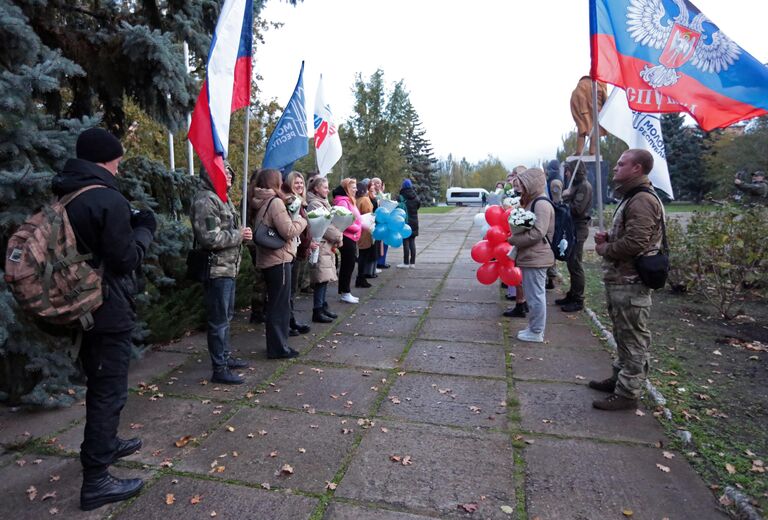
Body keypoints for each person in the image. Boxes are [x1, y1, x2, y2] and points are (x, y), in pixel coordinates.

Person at [51, 128, 155, 510]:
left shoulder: (67, 191)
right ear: (107, 159)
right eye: (117, 158)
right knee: (108, 389)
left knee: (100, 383)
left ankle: (104, 445)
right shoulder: (105, 197)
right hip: (105, 308)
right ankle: (96, 480)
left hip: (81, 304)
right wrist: (144, 229)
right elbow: (125, 258)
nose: (120, 164)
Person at [592, 149, 664, 411]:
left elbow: (636, 242)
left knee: (633, 339)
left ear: (637, 168)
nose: (615, 168)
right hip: (621, 280)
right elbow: (630, 234)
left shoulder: (642, 199)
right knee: (622, 334)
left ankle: (628, 392)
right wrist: (609, 238)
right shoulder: (631, 197)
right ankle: (619, 379)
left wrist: (606, 249)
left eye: (621, 164)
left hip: (631, 282)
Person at [191, 162, 252, 385]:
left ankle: (225, 358)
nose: (228, 174)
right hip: (217, 269)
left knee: (225, 318)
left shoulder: (221, 198)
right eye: (223, 170)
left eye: (230, 171)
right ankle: (220, 368)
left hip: (228, 268)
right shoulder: (206, 199)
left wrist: (240, 235)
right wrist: (239, 235)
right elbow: (209, 238)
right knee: (218, 322)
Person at [251, 168, 307, 359]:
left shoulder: (259, 199)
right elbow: (289, 231)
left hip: (268, 259)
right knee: (279, 306)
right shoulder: (275, 202)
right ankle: (278, 348)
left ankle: (277, 344)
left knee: (275, 303)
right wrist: (302, 221)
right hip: (279, 259)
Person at [507, 168, 554, 342]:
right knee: (534, 294)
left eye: (524, 183)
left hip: (537, 256)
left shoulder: (541, 203)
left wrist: (514, 240)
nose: (521, 187)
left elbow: (538, 233)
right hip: (533, 255)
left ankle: (536, 331)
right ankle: (533, 327)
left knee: (535, 296)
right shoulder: (535, 201)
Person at [306, 176, 343, 323]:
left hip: (326, 246)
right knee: (321, 278)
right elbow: (325, 226)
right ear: (316, 188)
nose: (328, 190)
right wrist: (339, 237)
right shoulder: (315, 205)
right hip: (320, 245)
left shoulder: (323, 202)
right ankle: (317, 309)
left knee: (325, 277)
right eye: (325, 187)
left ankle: (323, 306)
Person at [557, 162, 593, 312]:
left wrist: (565, 198)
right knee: (571, 263)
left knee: (575, 264)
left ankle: (578, 299)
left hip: (579, 229)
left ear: (575, 171)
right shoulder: (577, 185)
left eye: (568, 171)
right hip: (573, 228)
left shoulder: (584, 186)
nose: (566, 174)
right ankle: (572, 294)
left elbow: (577, 209)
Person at [282, 171, 313, 336]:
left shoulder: (302, 202)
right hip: (292, 251)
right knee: (289, 291)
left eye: (301, 183)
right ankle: (286, 322)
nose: (300, 185)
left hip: (302, 251)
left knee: (294, 290)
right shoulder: (291, 202)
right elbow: (293, 227)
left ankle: (291, 319)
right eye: (296, 183)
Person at [333, 178, 362, 303]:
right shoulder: (342, 202)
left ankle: (346, 291)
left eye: (356, 187)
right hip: (347, 237)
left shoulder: (350, 200)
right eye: (353, 187)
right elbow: (343, 220)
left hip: (351, 236)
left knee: (349, 265)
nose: (356, 189)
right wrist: (357, 227)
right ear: (346, 189)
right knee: (347, 265)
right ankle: (345, 292)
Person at [246, 170, 267, 324]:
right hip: (255, 241)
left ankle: (261, 308)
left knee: (263, 277)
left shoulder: (254, 197)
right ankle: (257, 310)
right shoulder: (250, 199)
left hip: (259, 239)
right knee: (260, 277)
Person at [570, 76, 608, 156]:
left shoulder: (599, 83)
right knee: (586, 130)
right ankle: (584, 152)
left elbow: (605, 99)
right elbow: (577, 96)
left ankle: (588, 152)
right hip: (588, 110)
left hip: (592, 111)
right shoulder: (586, 83)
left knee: (587, 130)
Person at [355, 179, 375, 287]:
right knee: (364, 256)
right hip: (365, 231)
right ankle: (361, 278)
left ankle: (361, 277)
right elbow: (368, 215)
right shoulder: (365, 200)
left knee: (361, 255)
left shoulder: (356, 200)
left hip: (358, 230)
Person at [545, 177, 564, 290]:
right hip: (553, 221)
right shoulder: (553, 180)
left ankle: (551, 278)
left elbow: (557, 200)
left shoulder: (555, 182)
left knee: (551, 252)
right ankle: (550, 278)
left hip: (555, 223)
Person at [398, 179, 420, 268]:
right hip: (414, 221)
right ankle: (413, 263)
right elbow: (418, 206)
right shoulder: (415, 196)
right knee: (412, 242)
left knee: (405, 242)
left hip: (405, 222)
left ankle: (406, 262)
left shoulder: (401, 196)